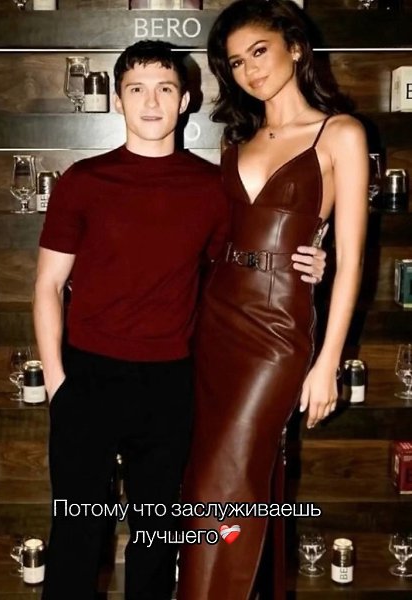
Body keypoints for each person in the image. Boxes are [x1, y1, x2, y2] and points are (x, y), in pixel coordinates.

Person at [33, 40, 325, 600]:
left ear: (185, 99)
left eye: (165, 88)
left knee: (156, 540)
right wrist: (57, 382)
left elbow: (248, 260)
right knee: (76, 533)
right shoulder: (83, 180)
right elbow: (46, 285)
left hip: (171, 382)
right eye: (137, 89)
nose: (151, 102)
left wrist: (315, 256)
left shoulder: (212, 186)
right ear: (117, 100)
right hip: (87, 377)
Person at [176, 2, 368, 599]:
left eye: (259, 51)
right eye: (236, 62)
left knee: (226, 477)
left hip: (280, 327)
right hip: (217, 318)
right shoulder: (236, 142)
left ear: (295, 46)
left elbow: (352, 259)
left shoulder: (341, 133)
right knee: (217, 475)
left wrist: (328, 361)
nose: (250, 70)